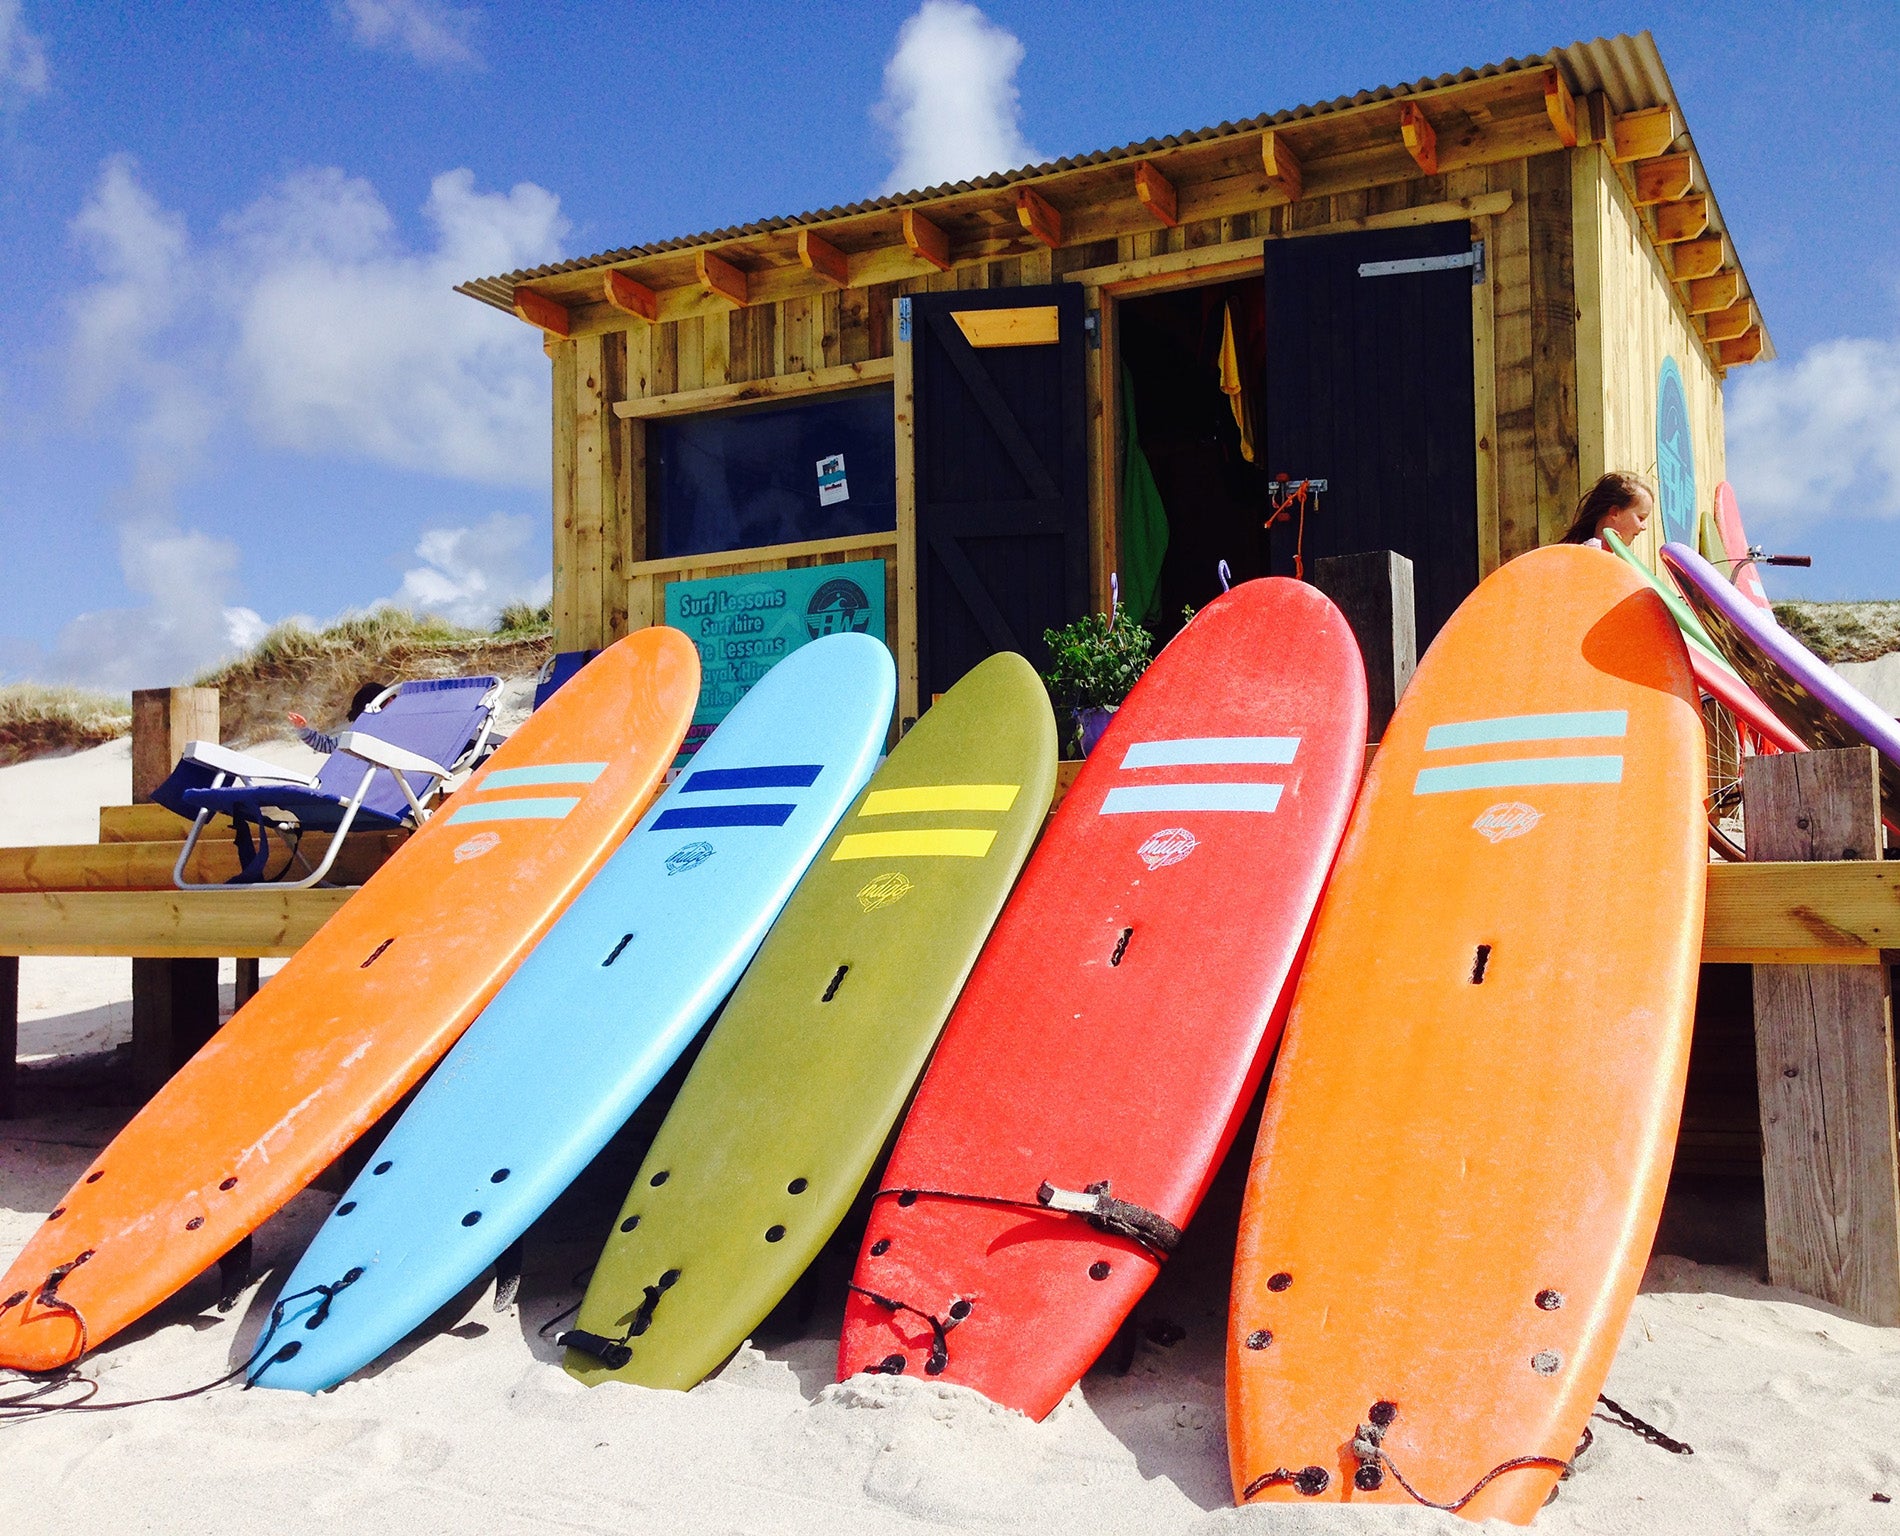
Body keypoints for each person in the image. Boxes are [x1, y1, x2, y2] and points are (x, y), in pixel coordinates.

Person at [1558, 471, 1656, 549]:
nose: (1644, 527)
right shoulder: (1588, 551)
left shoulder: (1621, 559)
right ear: (1615, 512)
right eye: (1640, 518)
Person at [287, 682, 389, 756]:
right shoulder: (360, 736)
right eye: (387, 701)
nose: (393, 704)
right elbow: (326, 745)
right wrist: (303, 729)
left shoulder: (401, 723)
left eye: (393, 698)